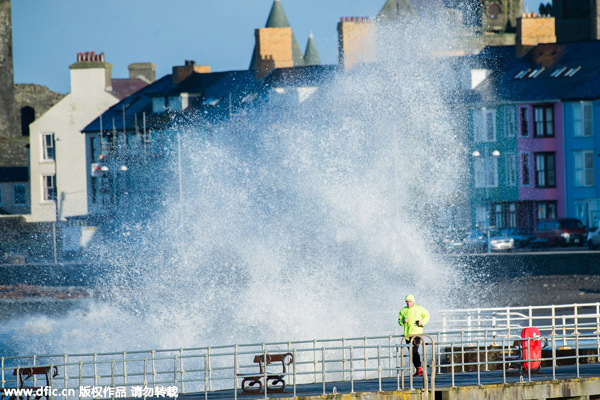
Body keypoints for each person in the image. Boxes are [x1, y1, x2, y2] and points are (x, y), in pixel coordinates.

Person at [398, 294, 430, 376]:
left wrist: (421, 322)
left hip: (417, 334)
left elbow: (427, 315)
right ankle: (418, 369)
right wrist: (403, 322)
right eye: (407, 302)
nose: (408, 303)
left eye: (410, 301)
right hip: (407, 335)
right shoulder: (403, 310)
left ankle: (419, 368)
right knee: (411, 352)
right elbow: (399, 321)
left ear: (413, 301)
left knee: (415, 350)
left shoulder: (419, 308)